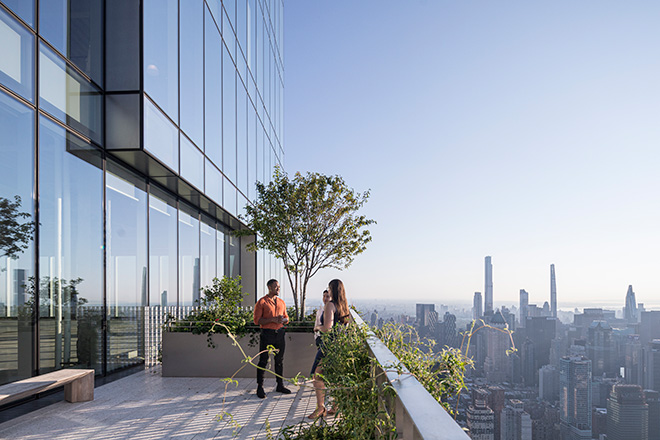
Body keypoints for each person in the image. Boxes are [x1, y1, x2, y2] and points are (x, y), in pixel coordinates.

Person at [308, 279, 350, 419]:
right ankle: (336, 407)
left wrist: (317, 327)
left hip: (328, 346)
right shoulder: (344, 305)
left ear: (331, 289)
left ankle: (321, 408)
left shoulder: (330, 305)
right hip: (340, 346)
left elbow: (327, 329)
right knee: (335, 377)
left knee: (317, 376)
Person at [253, 279, 291, 398]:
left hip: (279, 334)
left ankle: (280, 385)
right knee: (263, 361)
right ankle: (260, 387)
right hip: (267, 334)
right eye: (276, 287)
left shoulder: (281, 302)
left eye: (279, 287)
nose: (278, 289)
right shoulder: (262, 302)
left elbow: (287, 318)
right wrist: (272, 319)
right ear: (269, 287)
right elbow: (257, 320)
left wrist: (283, 320)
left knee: (279, 361)